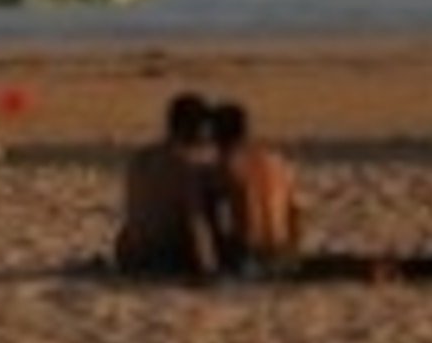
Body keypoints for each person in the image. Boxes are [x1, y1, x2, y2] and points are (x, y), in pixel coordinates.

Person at [113, 90, 221, 281]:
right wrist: (209, 270)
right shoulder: (185, 167)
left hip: (132, 256)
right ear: (194, 127)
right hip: (164, 258)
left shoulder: (140, 159)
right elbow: (196, 221)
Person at [210, 98, 302, 274]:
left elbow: (206, 217)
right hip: (282, 250)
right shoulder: (277, 160)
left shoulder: (226, 164)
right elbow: (295, 212)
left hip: (247, 255)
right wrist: (293, 251)